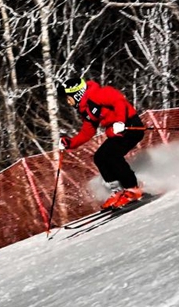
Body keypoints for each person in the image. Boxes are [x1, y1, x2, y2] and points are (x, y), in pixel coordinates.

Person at [58, 76, 145, 209]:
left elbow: (119, 101)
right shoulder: (86, 109)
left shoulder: (97, 94)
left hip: (130, 126)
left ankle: (132, 189)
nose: (68, 102)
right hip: (117, 132)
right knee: (100, 157)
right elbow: (88, 131)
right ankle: (118, 191)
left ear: (77, 94)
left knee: (112, 155)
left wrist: (120, 122)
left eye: (68, 97)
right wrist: (71, 143)